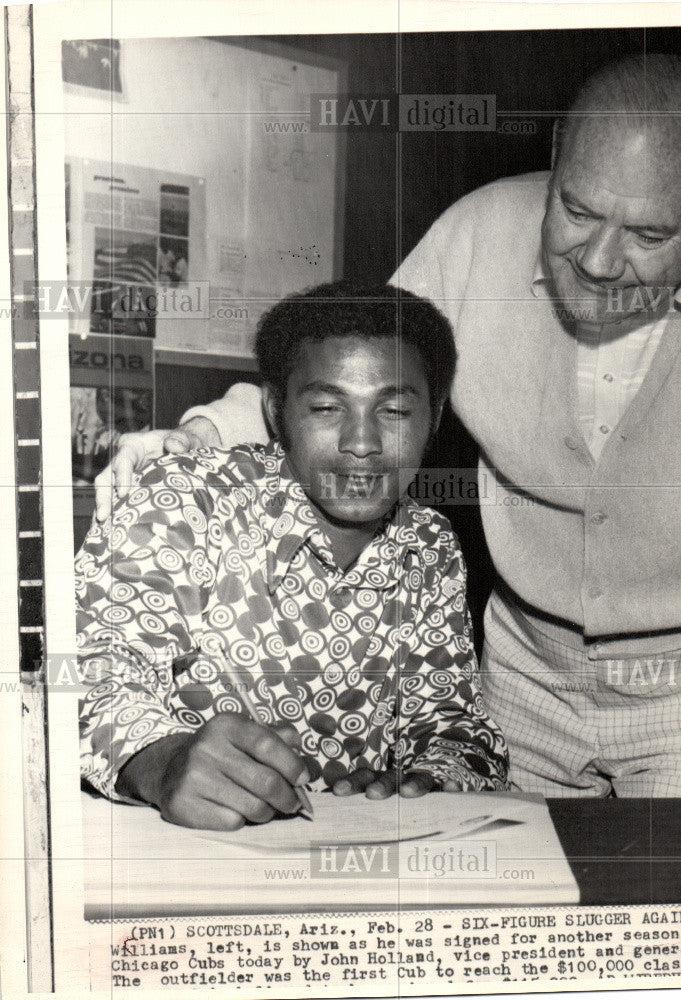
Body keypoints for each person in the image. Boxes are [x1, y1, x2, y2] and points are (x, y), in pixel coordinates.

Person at [95, 53, 681, 797]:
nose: (596, 260)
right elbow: (356, 359)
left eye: (649, 236)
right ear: (555, 155)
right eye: (577, 211)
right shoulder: (479, 230)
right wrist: (197, 437)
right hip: (528, 674)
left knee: (674, 895)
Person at [77, 281, 510, 830]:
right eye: (327, 407)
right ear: (277, 411)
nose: (362, 442)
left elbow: (450, 720)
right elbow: (94, 666)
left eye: (395, 410)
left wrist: (434, 775)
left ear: (436, 416)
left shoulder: (429, 544)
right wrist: (162, 761)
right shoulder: (186, 499)